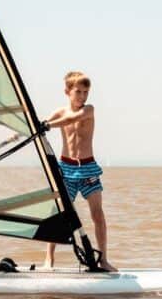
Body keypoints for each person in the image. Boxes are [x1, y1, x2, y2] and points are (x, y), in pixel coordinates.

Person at [43, 71, 117, 272]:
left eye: (86, 92)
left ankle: (104, 260)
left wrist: (47, 125)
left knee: (98, 215)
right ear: (67, 91)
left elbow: (70, 120)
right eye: (78, 92)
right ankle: (49, 258)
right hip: (66, 168)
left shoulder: (89, 110)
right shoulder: (58, 112)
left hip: (88, 168)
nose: (83, 96)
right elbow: (39, 125)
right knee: (59, 214)